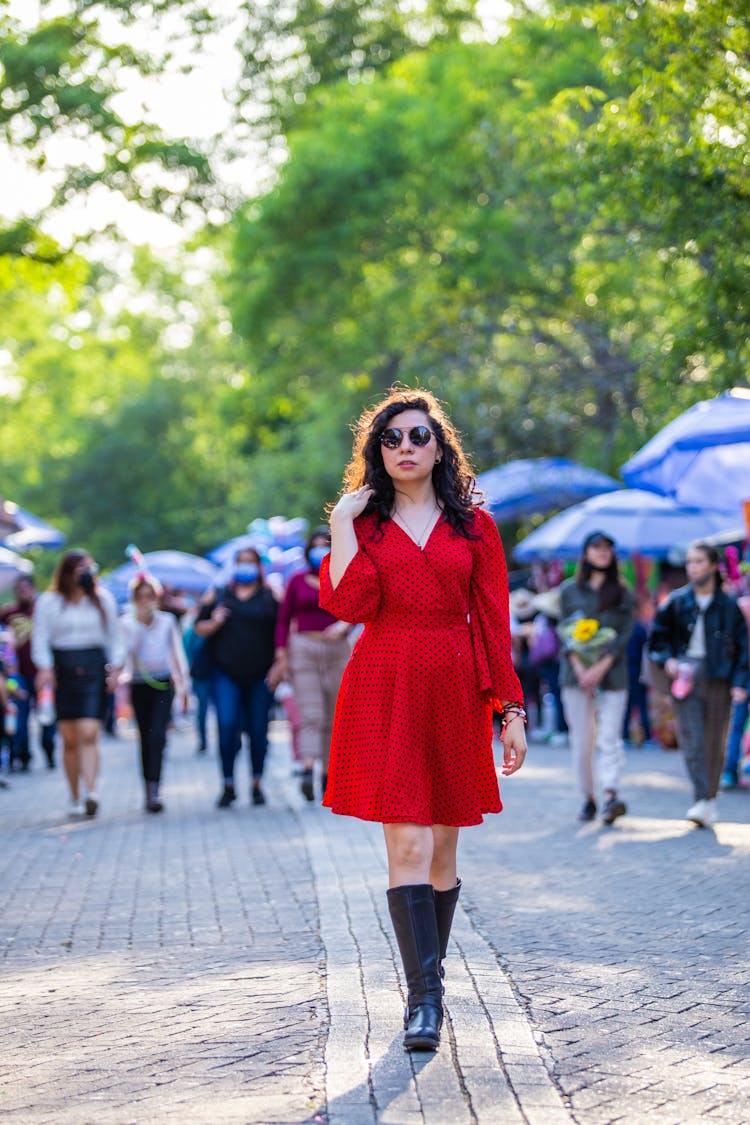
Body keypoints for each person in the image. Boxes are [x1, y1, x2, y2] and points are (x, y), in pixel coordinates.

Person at [320, 388, 527, 1053]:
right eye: (391, 438)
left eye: (417, 435)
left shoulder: (476, 527)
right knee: (406, 844)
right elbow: (351, 605)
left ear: (440, 445)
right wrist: (341, 527)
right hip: (386, 681)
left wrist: (510, 710)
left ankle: (428, 982)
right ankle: (424, 1001)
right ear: (376, 451)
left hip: (456, 687)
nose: (405, 447)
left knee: (442, 848)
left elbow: (495, 623)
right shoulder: (368, 524)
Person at [648, 541, 748, 827]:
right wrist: (668, 660)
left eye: (699, 561)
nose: (692, 567)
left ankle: (708, 799)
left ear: (714, 566)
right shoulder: (676, 601)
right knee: (692, 739)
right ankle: (701, 798)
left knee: (715, 741)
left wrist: (740, 683)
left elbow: (743, 648)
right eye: (689, 561)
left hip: (719, 676)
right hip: (685, 675)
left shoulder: (729, 605)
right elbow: (658, 639)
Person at [32, 550, 124, 817]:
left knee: (88, 732)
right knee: (69, 739)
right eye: (80, 568)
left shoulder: (102, 600)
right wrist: (45, 668)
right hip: (62, 669)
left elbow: (114, 638)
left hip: (93, 668)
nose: (85, 573)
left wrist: (115, 668)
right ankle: (74, 795)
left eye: (89, 567)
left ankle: (91, 791)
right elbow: (41, 638)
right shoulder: (49, 602)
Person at [195, 548, 282, 808]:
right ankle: (228, 783)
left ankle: (257, 783)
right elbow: (199, 628)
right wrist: (214, 622)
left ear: (258, 567)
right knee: (227, 724)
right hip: (225, 673)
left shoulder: (270, 596)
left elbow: (282, 631)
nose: (245, 568)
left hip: (261, 674)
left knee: (258, 729)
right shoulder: (220, 594)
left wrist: (280, 664)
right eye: (241, 564)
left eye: (250, 564)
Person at [559, 531, 634, 825]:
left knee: (610, 737)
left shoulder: (622, 592)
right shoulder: (569, 591)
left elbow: (624, 635)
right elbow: (564, 631)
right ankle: (588, 797)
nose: (603, 553)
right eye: (597, 547)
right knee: (582, 740)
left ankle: (611, 793)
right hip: (575, 677)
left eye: (608, 548)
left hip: (612, 675)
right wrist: (580, 668)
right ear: (586, 553)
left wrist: (599, 667)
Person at [274, 528, 351, 802]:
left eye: (325, 545)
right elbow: (283, 619)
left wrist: (345, 625)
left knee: (335, 714)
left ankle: (329, 774)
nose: (320, 550)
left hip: (337, 649)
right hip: (304, 649)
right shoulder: (296, 581)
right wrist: (281, 656)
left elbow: (360, 605)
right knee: (311, 713)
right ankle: (307, 768)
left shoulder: (344, 574)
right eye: (315, 545)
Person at [120, 575, 191, 812]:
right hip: (139, 683)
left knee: (158, 735)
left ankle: (156, 786)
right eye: (140, 598)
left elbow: (177, 653)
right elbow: (126, 654)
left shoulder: (167, 621)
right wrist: (140, 625)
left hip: (163, 682)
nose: (145, 602)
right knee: (145, 735)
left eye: (149, 597)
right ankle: (148, 787)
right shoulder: (128, 623)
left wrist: (183, 684)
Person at [0, 576, 57, 770]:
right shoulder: (8, 614)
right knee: (19, 718)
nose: (22, 592)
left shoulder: (43, 612)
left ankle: (49, 752)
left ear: (33, 589)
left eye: (25, 589)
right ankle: (23, 756)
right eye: (18, 589)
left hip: (43, 673)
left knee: (47, 716)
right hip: (18, 676)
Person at [721, 573, 750, 789]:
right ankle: (731, 770)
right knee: (737, 722)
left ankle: (730, 771)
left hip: (741, 671)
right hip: (742, 671)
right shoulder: (741, 605)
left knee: (737, 723)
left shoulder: (740, 605)